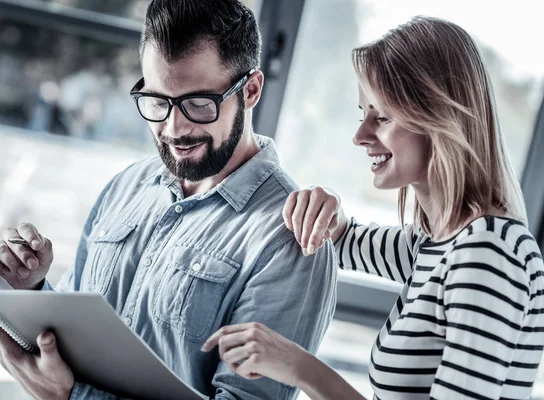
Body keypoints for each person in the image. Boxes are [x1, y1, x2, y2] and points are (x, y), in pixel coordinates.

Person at [0, 1, 337, 399]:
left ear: (250, 90)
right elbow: (73, 336)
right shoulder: (128, 186)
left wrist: (70, 397)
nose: (173, 128)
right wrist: (32, 291)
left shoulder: (291, 239)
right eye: (158, 102)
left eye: (199, 104)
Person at [203, 16, 544, 400]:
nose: (360, 135)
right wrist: (322, 205)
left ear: (438, 120)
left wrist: (299, 368)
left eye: (381, 117)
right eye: (361, 113)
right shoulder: (436, 243)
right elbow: (343, 238)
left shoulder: (486, 252)